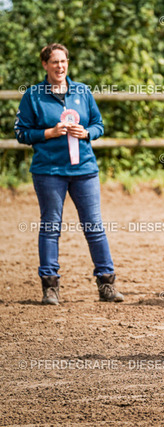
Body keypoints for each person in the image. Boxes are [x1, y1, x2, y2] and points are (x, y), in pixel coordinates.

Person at [14, 43, 123, 305]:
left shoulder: (83, 92)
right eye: (54, 62)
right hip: (49, 171)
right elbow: (21, 133)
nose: (60, 66)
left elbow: (98, 124)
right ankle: (50, 287)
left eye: (63, 61)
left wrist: (87, 133)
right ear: (45, 65)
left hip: (85, 170)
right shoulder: (33, 96)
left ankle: (106, 284)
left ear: (68, 64)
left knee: (94, 227)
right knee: (51, 227)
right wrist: (48, 133)